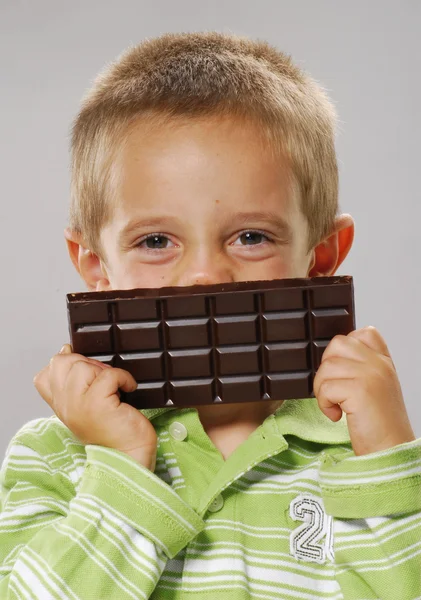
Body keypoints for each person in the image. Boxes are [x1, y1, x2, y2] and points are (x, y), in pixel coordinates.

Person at [1, 32, 419, 600]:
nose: (205, 274)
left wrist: (391, 468)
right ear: (96, 266)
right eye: (155, 240)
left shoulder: (371, 454)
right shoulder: (54, 458)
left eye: (250, 236)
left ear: (320, 259)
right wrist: (120, 465)